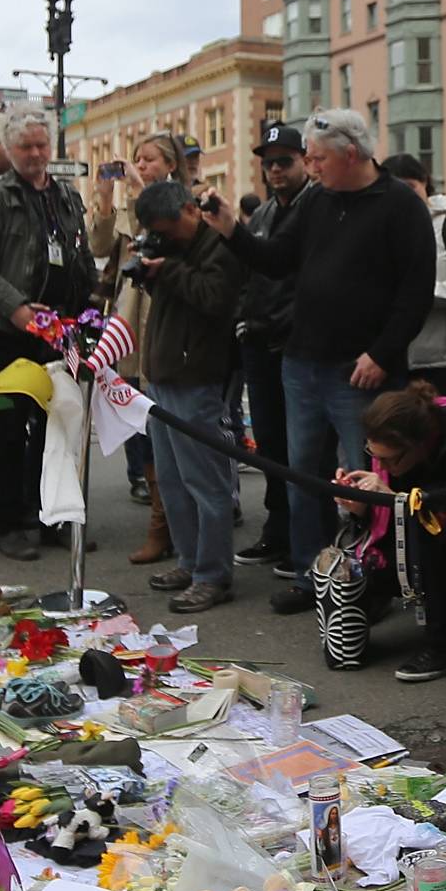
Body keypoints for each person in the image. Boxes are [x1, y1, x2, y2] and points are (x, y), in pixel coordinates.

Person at [205, 108, 435, 613]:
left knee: (364, 478)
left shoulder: (400, 205)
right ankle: (316, 576)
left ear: (351, 154)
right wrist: (231, 231)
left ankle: (370, 581)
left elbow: (415, 292)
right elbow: (277, 261)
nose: (310, 166)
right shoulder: (316, 202)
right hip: (302, 362)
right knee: (302, 475)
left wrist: (382, 353)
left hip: (362, 368)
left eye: (317, 158)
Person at [0, 111, 98, 561]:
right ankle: (11, 521)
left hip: (61, 329)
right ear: (8, 149)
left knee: (57, 423)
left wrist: (87, 310)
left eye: (41, 145)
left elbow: (80, 254)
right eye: (26, 148)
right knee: (8, 427)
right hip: (10, 330)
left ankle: (51, 513)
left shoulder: (65, 195)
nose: (37, 155)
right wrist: (17, 309)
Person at [330, 382, 446, 682]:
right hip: (412, 527)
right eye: (374, 455)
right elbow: (380, 519)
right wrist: (360, 507)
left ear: (419, 445)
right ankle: (376, 601)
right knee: (356, 560)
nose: (379, 464)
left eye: (389, 459)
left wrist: (392, 498)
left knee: (435, 546)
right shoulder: (387, 441)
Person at [132, 177, 248, 613]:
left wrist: (170, 271)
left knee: (206, 481)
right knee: (172, 480)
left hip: (197, 377)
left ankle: (213, 575)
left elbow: (216, 299)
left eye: (168, 227)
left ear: (189, 210)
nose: (164, 236)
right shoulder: (172, 248)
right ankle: (190, 560)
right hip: (163, 376)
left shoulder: (219, 246)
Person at [92, 133, 191, 559]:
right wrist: (103, 199)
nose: (140, 166)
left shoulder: (184, 203)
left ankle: (179, 521)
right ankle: (159, 519)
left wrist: (138, 192)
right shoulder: (128, 205)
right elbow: (99, 247)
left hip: (166, 319)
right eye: (136, 160)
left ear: (170, 165)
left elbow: (155, 230)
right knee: (140, 419)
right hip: (129, 319)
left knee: (170, 421)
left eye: (148, 159)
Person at [232, 120, 310, 573]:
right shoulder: (262, 214)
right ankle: (277, 531)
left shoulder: (311, 208)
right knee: (270, 446)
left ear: (303, 161)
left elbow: (302, 281)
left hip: (296, 345)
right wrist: (245, 320)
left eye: (285, 161)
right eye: (268, 163)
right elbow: (251, 275)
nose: (275, 170)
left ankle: (300, 540)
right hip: (258, 343)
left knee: (302, 451)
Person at [382, 152, 446, 398]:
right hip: (396, 358)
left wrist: (415, 294)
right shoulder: (383, 228)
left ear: (425, 182)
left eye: (410, 186)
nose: (403, 195)